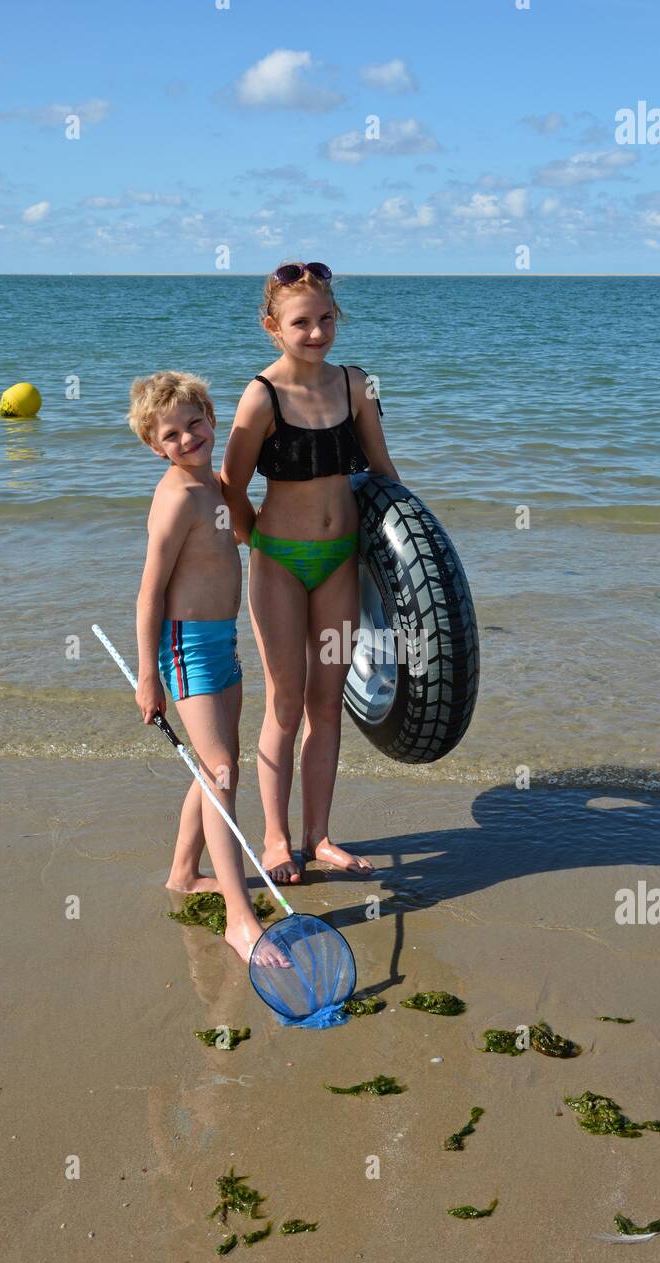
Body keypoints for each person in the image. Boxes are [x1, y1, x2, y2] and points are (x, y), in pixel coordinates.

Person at [221, 261, 401, 885]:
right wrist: (256, 546)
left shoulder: (355, 385)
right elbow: (231, 487)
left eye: (326, 318)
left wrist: (411, 561)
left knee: (327, 704)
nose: (317, 331)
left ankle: (319, 836)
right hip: (279, 565)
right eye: (302, 322)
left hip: (338, 566)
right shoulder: (261, 395)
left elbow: (382, 471)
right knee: (286, 702)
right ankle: (275, 840)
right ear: (272, 326)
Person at [128, 369, 286, 966]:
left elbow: (250, 538)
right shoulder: (175, 499)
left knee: (216, 766)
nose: (188, 438)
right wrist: (149, 676)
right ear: (155, 446)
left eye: (195, 423)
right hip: (183, 644)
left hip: (223, 639)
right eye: (172, 435)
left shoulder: (218, 488)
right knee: (220, 771)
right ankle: (239, 919)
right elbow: (149, 595)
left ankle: (183, 873)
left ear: (212, 419)